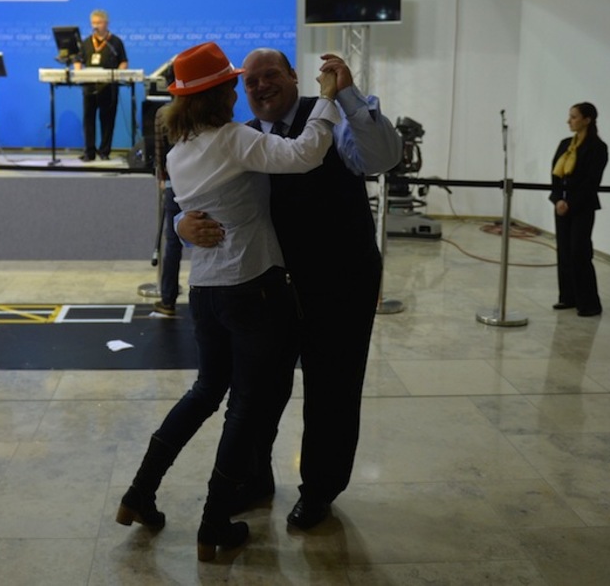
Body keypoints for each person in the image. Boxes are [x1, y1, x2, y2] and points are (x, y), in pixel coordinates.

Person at [115, 41, 342, 561]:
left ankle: (139, 493)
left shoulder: (179, 151)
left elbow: (184, 214)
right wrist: (326, 99)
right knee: (244, 405)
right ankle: (215, 521)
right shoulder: (236, 140)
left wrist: (178, 222)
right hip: (253, 287)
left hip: (208, 291)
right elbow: (307, 153)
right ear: (221, 94)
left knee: (204, 392)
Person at [178, 48, 401, 530]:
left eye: (270, 75)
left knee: (333, 390)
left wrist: (347, 95)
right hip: (270, 290)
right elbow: (202, 194)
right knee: (259, 390)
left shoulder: (333, 119)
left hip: (340, 282)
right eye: (251, 81)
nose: (260, 87)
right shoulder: (244, 139)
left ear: (294, 77)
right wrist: (181, 224)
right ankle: (254, 478)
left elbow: (382, 158)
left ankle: (319, 490)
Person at [549, 102, 608, 317]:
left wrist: (570, 203)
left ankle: (589, 303)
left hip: (581, 207)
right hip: (561, 206)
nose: (569, 121)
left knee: (579, 252)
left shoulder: (597, 147)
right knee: (564, 252)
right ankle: (568, 297)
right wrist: (557, 200)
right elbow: (554, 175)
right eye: (570, 116)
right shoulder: (565, 144)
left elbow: (592, 181)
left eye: (573, 117)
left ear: (587, 120)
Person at [74, 9, 128, 161]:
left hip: (108, 88)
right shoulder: (86, 42)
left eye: (99, 22)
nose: (95, 25)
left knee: (107, 120)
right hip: (89, 87)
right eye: (93, 23)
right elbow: (78, 59)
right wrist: (78, 71)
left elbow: (123, 61)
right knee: (88, 120)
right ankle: (89, 152)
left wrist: (118, 74)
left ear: (106, 23)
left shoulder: (115, 42)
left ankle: (104, 152)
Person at [152, 103, 182, 316]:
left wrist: (162, 177)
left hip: (174, 183)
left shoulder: (163, 113)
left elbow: (159, 150)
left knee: (172, 245)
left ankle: (168, 300)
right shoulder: (205, 109)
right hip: (204, 182)